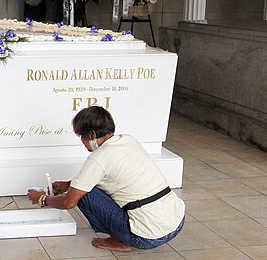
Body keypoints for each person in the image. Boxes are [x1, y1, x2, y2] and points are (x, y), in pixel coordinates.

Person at [27, 106, 185, 252]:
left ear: (92, 135)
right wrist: (69, 185)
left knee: (85, 194)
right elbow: (114, 173)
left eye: (81, 136)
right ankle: (123, 234)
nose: (82, 141)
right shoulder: (128, 140)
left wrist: (42, 199)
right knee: (87, 187)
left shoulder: (98, 159)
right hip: (177, 222)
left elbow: (69, 203)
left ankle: (120, 240)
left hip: (147, 238)